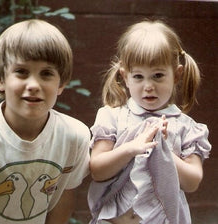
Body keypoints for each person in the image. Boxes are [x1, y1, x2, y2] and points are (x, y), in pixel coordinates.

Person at [0, 19, 91, 224]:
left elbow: (64, 198)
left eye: (46, 74)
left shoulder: (75, 136)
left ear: (62, 84)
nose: (33, 85)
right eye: (21, 72)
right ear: (0, 79)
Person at [87, 20, 211, 224]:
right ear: (125, 77)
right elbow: (97, 170)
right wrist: (132, 148)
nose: (148, 86)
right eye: (138, 76)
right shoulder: (112, 117)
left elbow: (192, 182)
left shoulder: (187, 127)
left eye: (158, 76)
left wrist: (163, 151)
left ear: (177, 74)